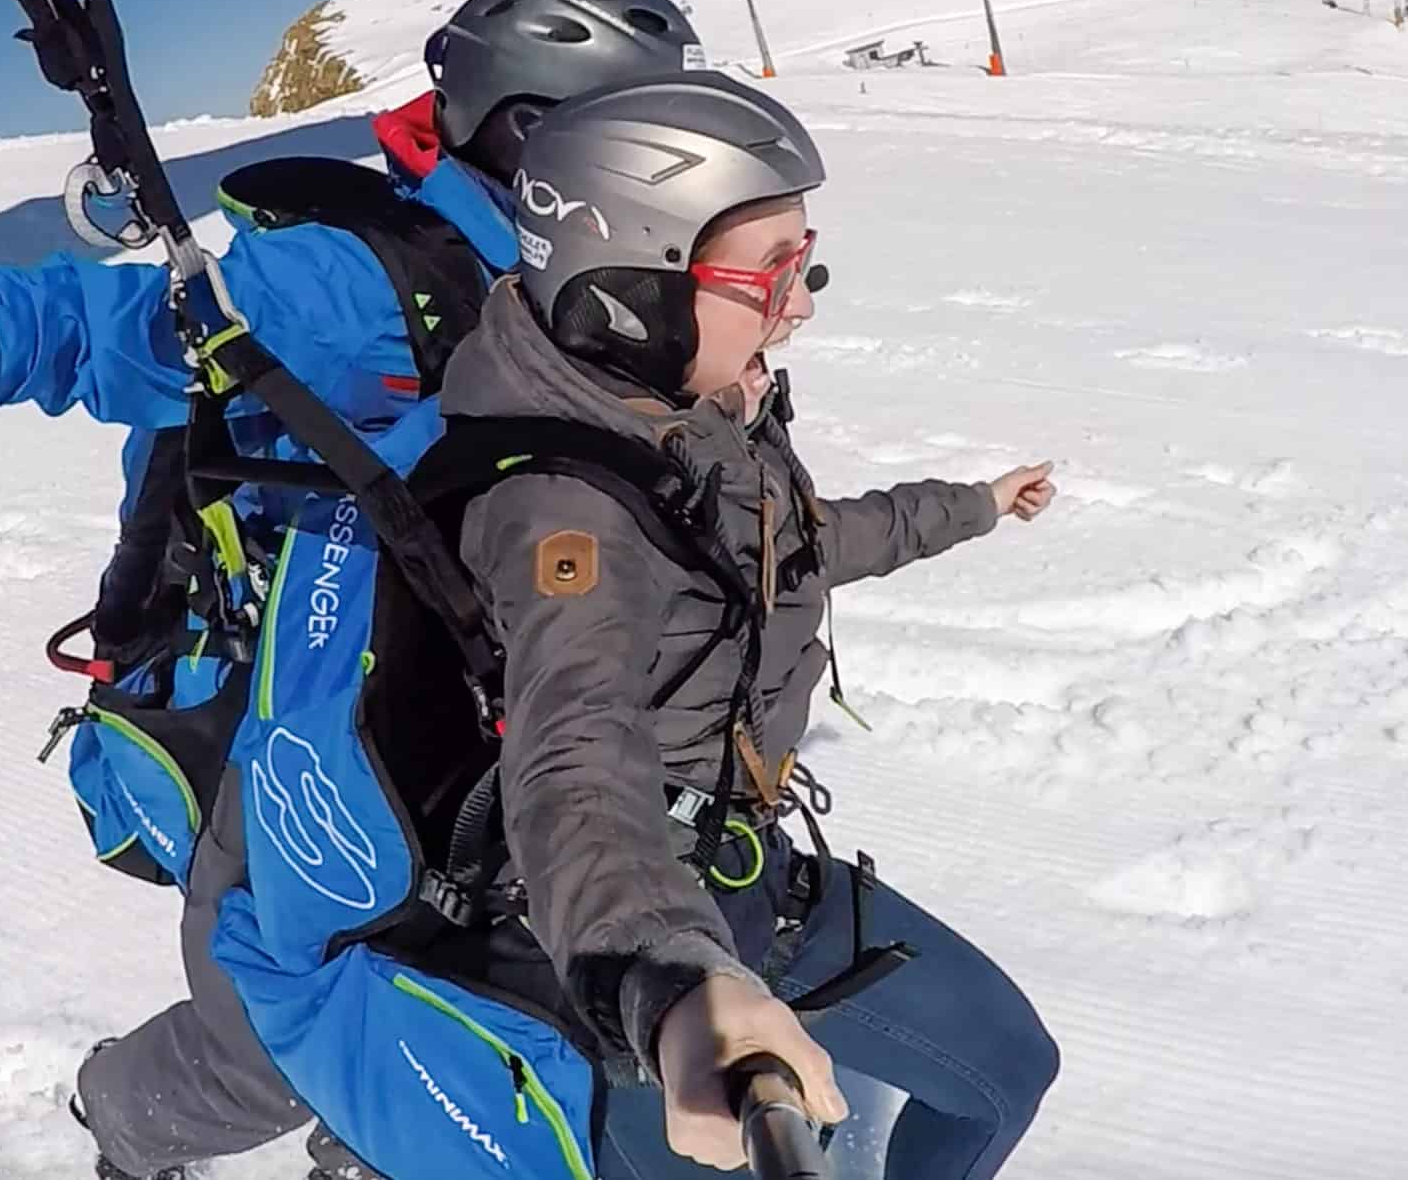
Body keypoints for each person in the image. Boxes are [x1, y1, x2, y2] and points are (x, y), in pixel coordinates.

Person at [0, 0, 704, 1180]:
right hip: (317, 736)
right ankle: (122, 1124)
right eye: (644, 144)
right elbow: (101, 330)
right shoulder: (371, 282)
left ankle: (366, 1132)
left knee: (481, 996)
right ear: (529, 135)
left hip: (495, 701)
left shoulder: (594, 280)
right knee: (271, 1038)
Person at [438, 73, 1062, 1179]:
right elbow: (572, 759)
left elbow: (799, 548)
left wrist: (972, 506)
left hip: (754, 875)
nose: (802, 304)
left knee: (1007, 1069)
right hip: (646, 935)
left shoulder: (692, 420)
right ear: (633, 289)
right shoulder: (564, 508)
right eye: (769, 274)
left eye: (802, 260)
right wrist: (669, 983)